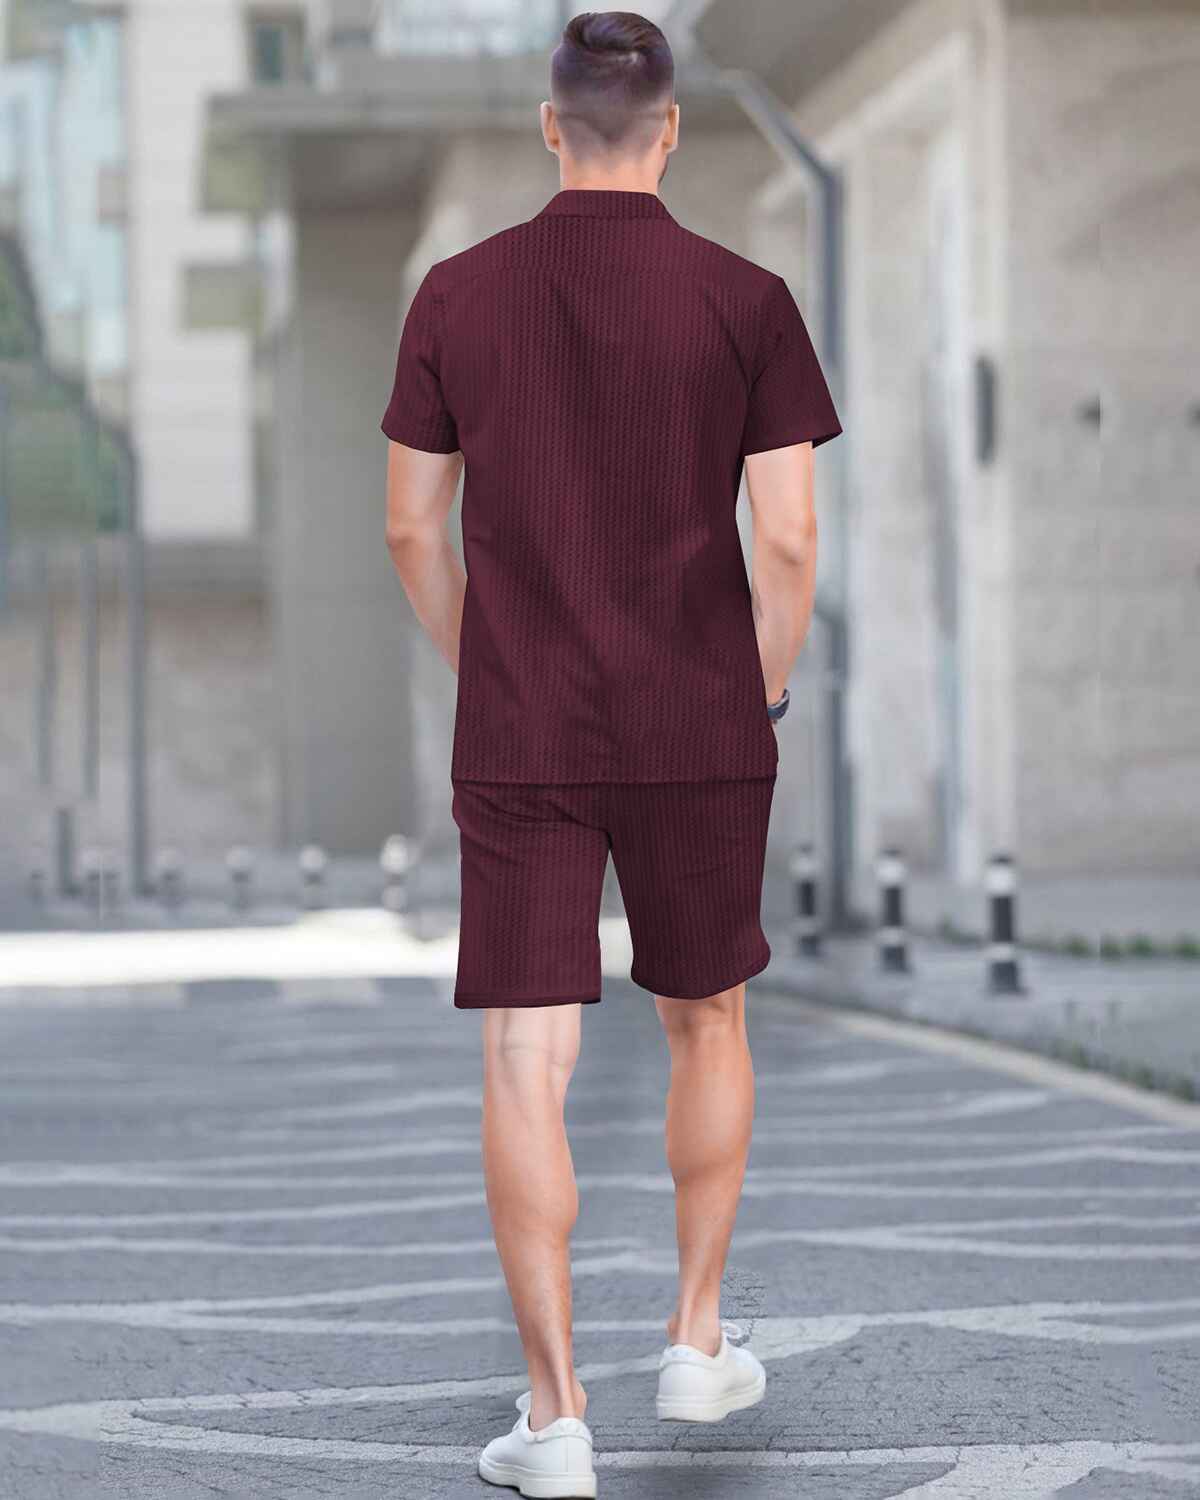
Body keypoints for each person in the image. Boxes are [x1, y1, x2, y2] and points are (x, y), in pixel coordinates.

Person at [382, 12, 841, 1496]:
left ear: (549, 125)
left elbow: (410, 526)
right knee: (707, 1017)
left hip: (527, 726)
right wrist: (756, 688)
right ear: (672, 131)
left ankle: (557, 1416)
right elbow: (788, 536)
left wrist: (489, 663)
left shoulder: (458, 292)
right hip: (700, 718)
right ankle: (698, 1339)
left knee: (528, 1053)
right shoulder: (748, 298)